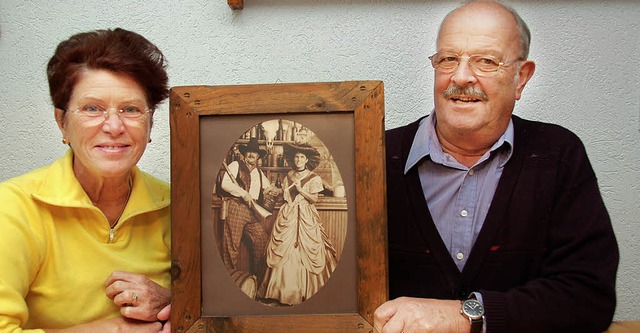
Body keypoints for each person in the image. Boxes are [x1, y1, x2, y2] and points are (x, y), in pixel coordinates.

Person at [374, 1, 619, 333]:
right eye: (448, 59)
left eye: (486, 61)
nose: (460, 77)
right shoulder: (374, 156)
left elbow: (589, 297)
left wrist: (466, 316)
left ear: (522, 77)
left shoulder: (558, 156)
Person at [0, 28, 171, 332]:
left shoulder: (179, 205)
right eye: (93, 108)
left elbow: (222, 310)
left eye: (131, 109)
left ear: (150, 124)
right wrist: (113, 330)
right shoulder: (13, 208)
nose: (115, 126)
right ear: (61, 121)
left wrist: (172, 301)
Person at [258, 143, 337, 305]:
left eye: (302, 157)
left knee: (309, 249)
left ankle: (306, 291)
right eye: (297, 157)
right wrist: (275, 190)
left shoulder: (314, 177)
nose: (299, 159)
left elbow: (314, 199)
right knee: (282, 249)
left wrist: (301, 190)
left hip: (306, 215)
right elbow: (286, 195)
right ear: (293, 159)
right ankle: (279, 291)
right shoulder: (289, 175)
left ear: (306, 159)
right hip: (288, 214)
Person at [220, 137, 277, 285]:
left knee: (261, 241)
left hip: (252, 211)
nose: (252, 154)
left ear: (258, 157)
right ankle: (229, 284)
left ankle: (256, 284)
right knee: (231, 247)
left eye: (255, 153)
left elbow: (268, 189)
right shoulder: (235, 165)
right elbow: (225, 184)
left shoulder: (259, 173)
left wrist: (273, 190)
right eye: (249, 152)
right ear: (245, 154)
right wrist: (243, 193)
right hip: (236, 207)